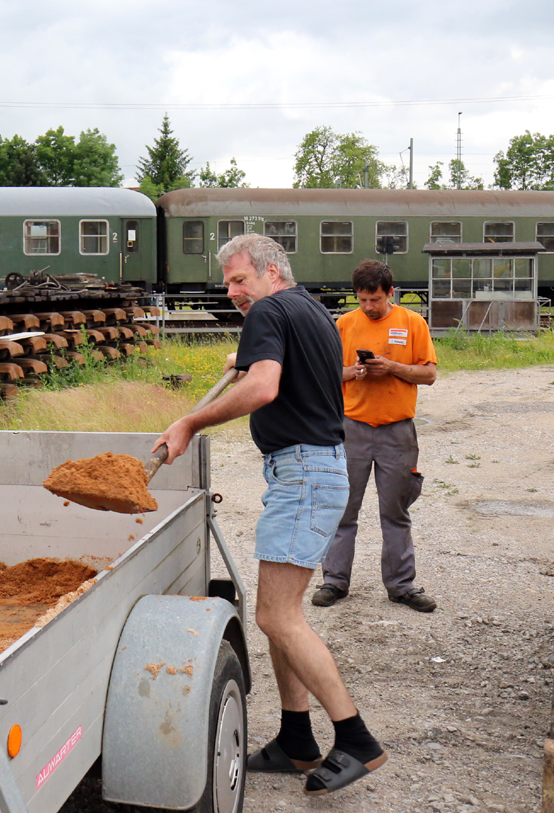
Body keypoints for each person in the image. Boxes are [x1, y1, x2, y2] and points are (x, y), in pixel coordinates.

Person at [154, 233, 385, 796]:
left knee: (277, 617)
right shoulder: (313, 311)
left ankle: (356, 738)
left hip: (302, 473)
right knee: (279, 611)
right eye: (227, 282)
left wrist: (190, 422)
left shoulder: (268, 311)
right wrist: (252, 354)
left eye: (239, 279)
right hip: (320, 468)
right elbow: (299, 375)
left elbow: (264, 387)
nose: (232, 291)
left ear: (272, 271)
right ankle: (296, 740)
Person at [313, 260, 438, 612]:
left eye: (376, 300)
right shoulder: (342, 325)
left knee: (395, 512)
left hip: (397, 432)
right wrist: (353, 372)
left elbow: (428, 375)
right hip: (351, 430)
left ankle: (402, 587)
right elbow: (326, 375)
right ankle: (334, 583)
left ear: (390, 293)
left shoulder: (413, 323)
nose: (369, 307)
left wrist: (392, 367)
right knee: (342, 510)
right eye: (363, 300)